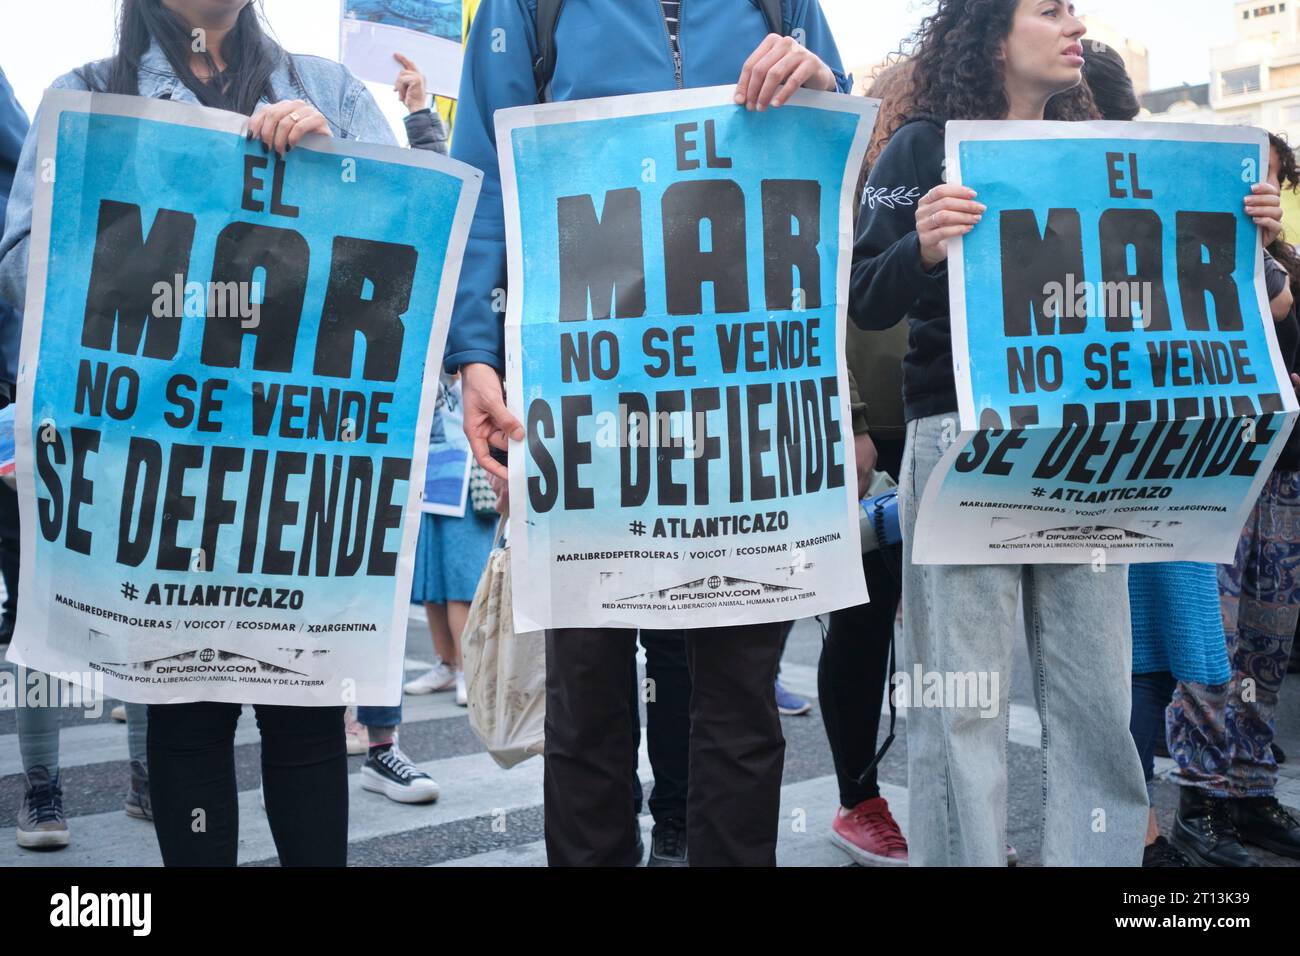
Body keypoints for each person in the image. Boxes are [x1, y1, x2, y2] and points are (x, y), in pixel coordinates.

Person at [852, 0, 1283, 867]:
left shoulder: (1105, 153)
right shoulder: (923, 146)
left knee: (1095, 699)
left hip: (1089, 447)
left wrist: (1248, 232)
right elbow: (864, 296)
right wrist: (922, 247)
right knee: (961, 707)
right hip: (962, 441)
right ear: (991, 33)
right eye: (1050, 10)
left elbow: (1231, 293)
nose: (1075, 24)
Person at [451, 0, 851, 866]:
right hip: (584, 404)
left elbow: (836, 160)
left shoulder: (785, 4)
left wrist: (823, 86)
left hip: (741, 403)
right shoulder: (526, 7)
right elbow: (483, 175)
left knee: (740, 699)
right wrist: (474, 355)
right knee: (587, 697)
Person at [0, 0, 397, 866]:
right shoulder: (88, 97)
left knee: (306, 721)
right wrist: (143, 193)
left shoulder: (328, 90)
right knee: (186, 720)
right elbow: (25, 271)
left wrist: (340, 172)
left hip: (297, 473)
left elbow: (407, 248)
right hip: (169, 474)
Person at [1079, 39, 1220, 870]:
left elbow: (1270, 297)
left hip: (1162, 449)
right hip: (1114, 457)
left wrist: (1256, 232)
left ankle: (1136, 822)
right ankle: (1132, 828)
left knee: (1149, 652)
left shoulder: (1164, 191)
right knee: (1123, 658)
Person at [1166, 132, 1300, 867]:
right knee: (1210, 648)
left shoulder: (1285, 267)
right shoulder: (1190, 253)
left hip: (1283, 473)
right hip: (1216, 469)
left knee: (1266, 648)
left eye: (1271, 180)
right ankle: (1201, 800)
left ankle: (1250, 791)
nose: (1260, 193)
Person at [347, 52, 452, 805]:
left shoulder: (387, 222)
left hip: (373, 421)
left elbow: (440, 194)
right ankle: (160, 764)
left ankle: (381, 743)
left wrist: (419, 114)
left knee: (374, 580)